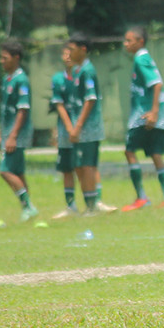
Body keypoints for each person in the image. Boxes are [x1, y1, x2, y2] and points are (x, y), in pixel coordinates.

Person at [121, 26, 164, 210]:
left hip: (144, 115)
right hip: (152, 114)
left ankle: (142, 197)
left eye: (129, 40)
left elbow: (156, 83)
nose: (125, 44)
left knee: (130, 151)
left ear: (140, 42)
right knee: (155, 154)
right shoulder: (143, 58)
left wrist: (153, 112)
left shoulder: (141, 59)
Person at [67, 33, 117, 215]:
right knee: (81, 165)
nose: (69, 53)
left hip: (88, 128)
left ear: (83, 50)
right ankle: (90, 203)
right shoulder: (78, 70)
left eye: (72, 49)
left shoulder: (88, 71)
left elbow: (90, 100)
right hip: (80, 128)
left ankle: (93, 205)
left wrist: (78, 126)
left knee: (88, 165)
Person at [0, 38, 38, 222]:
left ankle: (28, 205)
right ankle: (27, 210)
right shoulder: (7, 79)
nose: (2, 61)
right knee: (19, 172)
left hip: (17, 134)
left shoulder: (21, 80)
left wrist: (12, 136)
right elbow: (6, 109)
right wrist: (0, 133)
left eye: (5, 58)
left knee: (5, 171)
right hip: (8, 132)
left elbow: (23, 110)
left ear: (16, 58)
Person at [49, 44, 78, 218]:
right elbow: (58, 104)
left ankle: (94, 202)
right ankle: (70, 205)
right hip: (66, 130)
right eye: (64, 53)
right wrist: (68, 126)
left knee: (86, 166)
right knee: (67, 167)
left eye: (70, 53)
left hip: (83, 130)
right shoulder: (58, 79)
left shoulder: (84, 75)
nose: (67, 56)